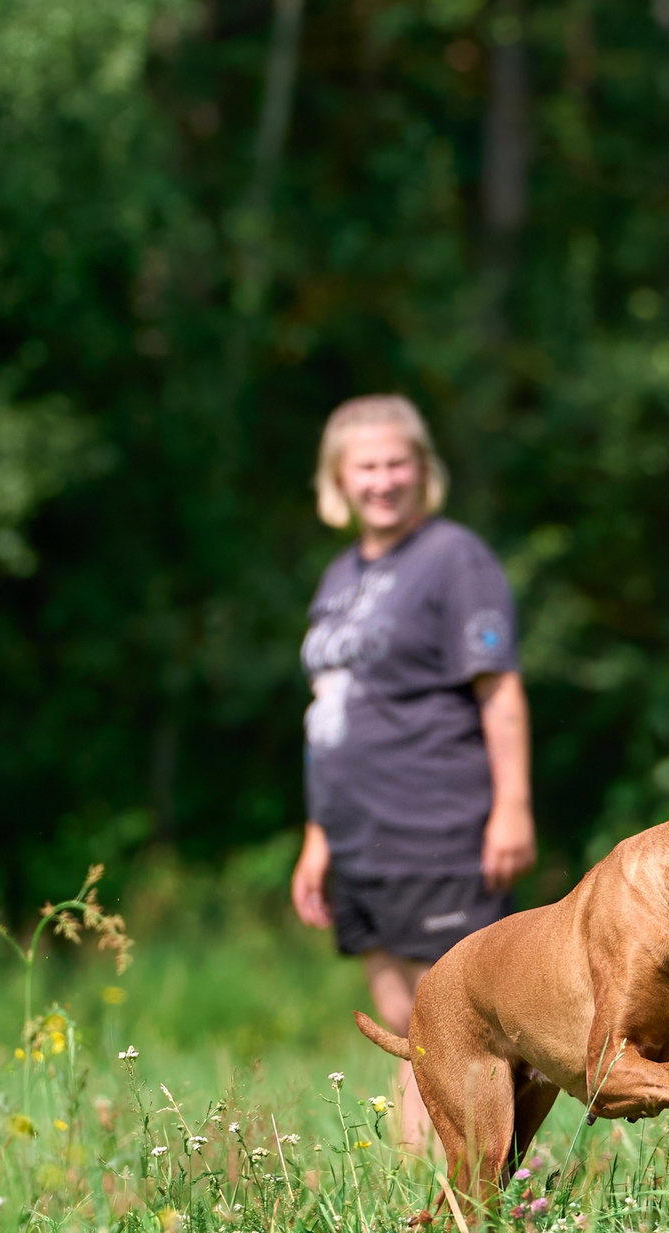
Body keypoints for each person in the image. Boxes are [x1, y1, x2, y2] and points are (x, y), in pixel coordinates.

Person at [289, 395, 534, 1151]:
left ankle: (489, 1196)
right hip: (359, 836)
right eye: (366, 465)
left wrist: (513, 806)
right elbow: (329, 709)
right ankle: (427, 1191)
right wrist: (318, 836)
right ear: (338, 478)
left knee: (459, 1028)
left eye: (399, 462)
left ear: (424, 470)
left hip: (438, 823)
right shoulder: (340, 575)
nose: (384, 479)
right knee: (409, 1029)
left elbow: (499, 689)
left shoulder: (453, 558)